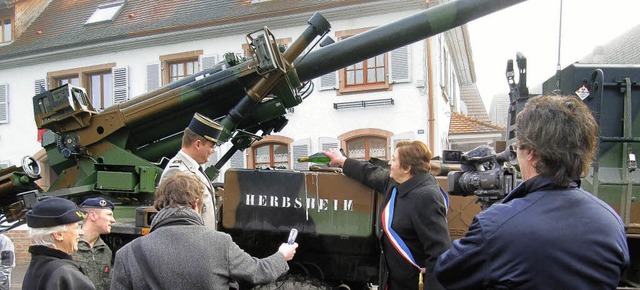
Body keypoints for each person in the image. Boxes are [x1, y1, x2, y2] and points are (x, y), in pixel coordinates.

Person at [435, 95, 630, 289]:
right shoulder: (612, 222)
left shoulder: (497, 226)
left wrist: (494, 217)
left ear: (531, 154)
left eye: (517, 148)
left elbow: (446, 270)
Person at [110, 172, 298, 289]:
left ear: (160, 205)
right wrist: (282, 255)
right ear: (195, 205)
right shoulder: (219, 243)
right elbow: (258, 272)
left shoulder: (128, 254)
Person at [324, 141, 450, 290]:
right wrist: (342, 160)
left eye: (394, 159)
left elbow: (439, 252)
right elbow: (369, 173)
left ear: (407, 168)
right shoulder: (396, 183)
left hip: (412, 284)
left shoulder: (426, 197)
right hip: (393, 280)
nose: (390, 162)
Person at [160, 112, 222, 230]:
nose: (213, 151)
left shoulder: (193, 169)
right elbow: (177, 223)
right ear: (198, 144)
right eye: (211, 146)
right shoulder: (177, 172)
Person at [23, 197, 95, 290]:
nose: (81, 233)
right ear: (58, 234)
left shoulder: (35, 268)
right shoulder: (66, 274)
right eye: (77, 227)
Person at [74, 197, 117, 290]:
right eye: (109, 215)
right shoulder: (71, 246)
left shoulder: (105, 250)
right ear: (93, 216)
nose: (113, 220)